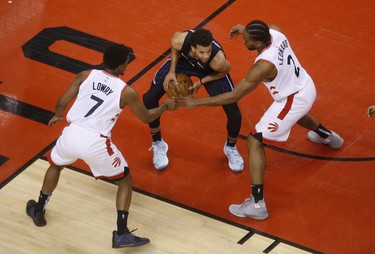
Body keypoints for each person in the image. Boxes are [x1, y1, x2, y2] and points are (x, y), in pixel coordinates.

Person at [179, 20, 344, 220]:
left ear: (257, 43)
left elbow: (234, 96)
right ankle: (329, 137)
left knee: (254, 140)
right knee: (296, 115)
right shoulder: (276, 33)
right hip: (306, 85)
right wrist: (244, 30)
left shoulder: (262, 66)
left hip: (292, 98)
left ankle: (257, 205)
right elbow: (271, 26)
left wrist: (196, 103)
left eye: (247, 39)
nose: (243, 41)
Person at [26, 44, 176, 248]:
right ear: (123, 65)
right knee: (124, 180)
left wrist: (58, 115)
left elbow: (62, 101)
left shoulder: (85, 75)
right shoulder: (126, 92)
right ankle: (121, 233)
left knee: (56, 166)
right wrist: (166, 105)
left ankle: (39, 210)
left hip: (71, 133)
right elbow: (146, 117)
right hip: (96, 141)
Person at [143, 28, 244, 172]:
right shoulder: (180, 40)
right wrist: (172, 71)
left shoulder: (217, 61)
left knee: (234, 112)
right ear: (192, 47)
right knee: (149, 98)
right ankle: (158, 143)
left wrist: (202, 81)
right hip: (184, 62)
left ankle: (231, 147)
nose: (206, 55)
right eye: (202, 52)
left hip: (210, 71)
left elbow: (226, 70)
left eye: (208, 51)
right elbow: (174, 45)